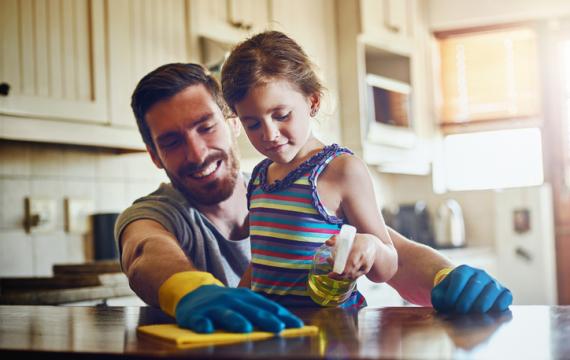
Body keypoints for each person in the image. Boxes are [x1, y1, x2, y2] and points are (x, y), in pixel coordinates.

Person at [116, 60, 512, 334]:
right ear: (154, 155)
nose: (198, 153)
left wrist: (446, 276)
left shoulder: (283, 184)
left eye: (206, 127)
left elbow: (384, 246)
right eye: (171, 141)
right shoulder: (155, 214)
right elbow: (145, 252)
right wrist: (188, 290)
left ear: (233, 125)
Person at [220, 31, 397, 308]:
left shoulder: (341, 170)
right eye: (252, 124)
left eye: (281, 116)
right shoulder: (259, 177)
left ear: (312, 102)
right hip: (275, 335)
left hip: (331, 337)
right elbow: (263, 265)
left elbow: (387, 266)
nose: (269, 134)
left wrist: (371, 247)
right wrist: (234, 301)